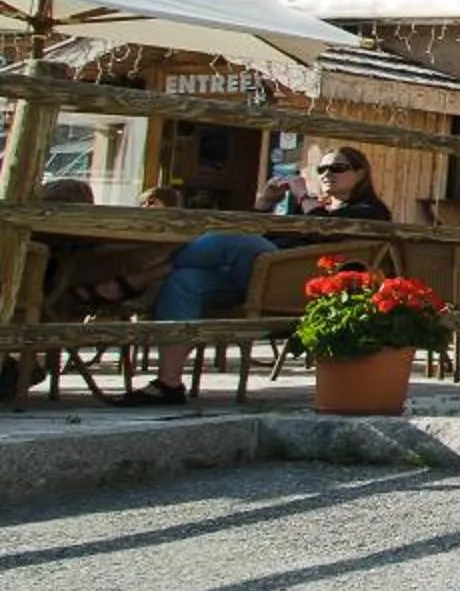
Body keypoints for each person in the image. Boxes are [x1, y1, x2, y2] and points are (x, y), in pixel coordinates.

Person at [135, 147, 392, 405]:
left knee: (235, 238)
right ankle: (169, 383)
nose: (327, 174)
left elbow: (324, 231)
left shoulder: (370, 211)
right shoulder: (314, 207)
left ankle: (145, 274)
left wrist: (303, 195)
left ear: (360, 173)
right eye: (322, 169)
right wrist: (264, 203)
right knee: (183, 281)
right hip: (257, 275)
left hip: (294, 284)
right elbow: (265, 233)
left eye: (337, 168)